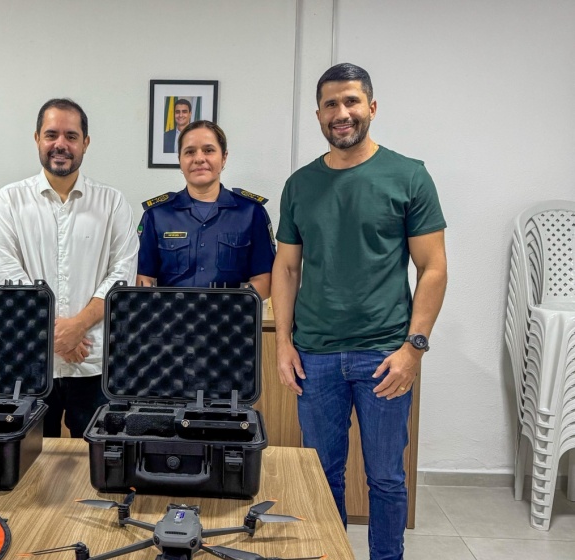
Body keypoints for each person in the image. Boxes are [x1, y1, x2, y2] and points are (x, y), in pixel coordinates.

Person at [271, 63, 447, 560]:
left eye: (351, 101)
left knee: (386, 478)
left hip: (384, 355)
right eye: (330, 104)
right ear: (318, 115)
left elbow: (433, 268)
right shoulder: (300, 185)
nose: (341, 112)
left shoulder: (408, 176)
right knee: (321, 475)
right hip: (315, 356)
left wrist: (413, 349)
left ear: (371, 107)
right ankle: (329, 554)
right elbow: (286, 267)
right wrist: (283, 343)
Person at [0, 98, 138, 438]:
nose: (61, 144)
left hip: (94, 362)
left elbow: (122, 275)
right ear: (37, 138)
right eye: (51, 134)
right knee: (32, 463)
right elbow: (8, 275)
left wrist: (77, 327)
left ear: (85, 142)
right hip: (30, 361)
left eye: (71, 136)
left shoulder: (112, 202)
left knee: (98, 459)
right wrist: (58, 336)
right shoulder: (9, 201)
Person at [137, 120, 275, 299]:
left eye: (208, 150)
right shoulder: (157, 215)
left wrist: (230, 306)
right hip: (172, 315)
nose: (199, 158)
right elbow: (143, 278)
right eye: (190, 152)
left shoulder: (251, 212)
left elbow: (264, 278)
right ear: (180, 160)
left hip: (231, 315)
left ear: (224, 157)